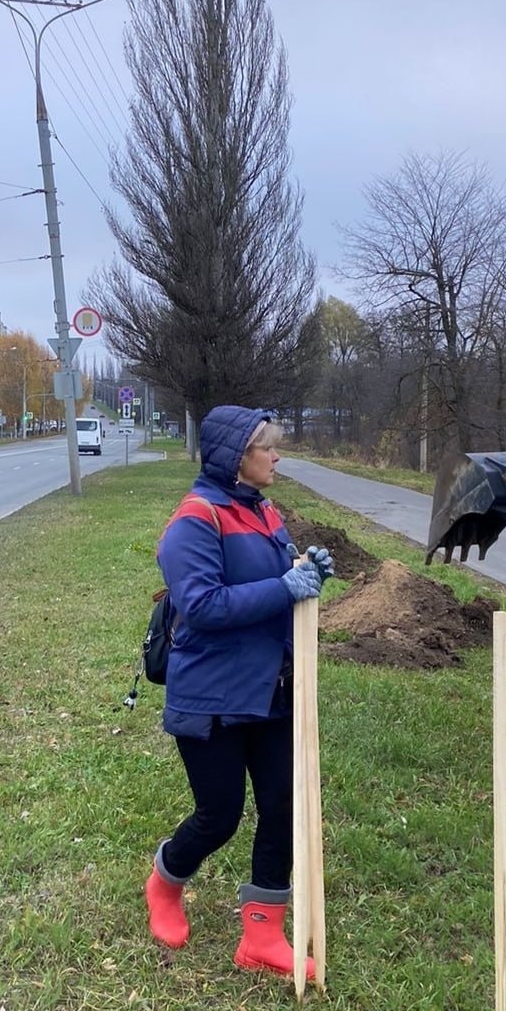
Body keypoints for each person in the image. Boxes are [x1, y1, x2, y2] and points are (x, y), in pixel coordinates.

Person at [145, 405, 334, 979]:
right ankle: (164, 883)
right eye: (266, 448)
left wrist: (306, 569)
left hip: (271, 688)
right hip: (214, 697)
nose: (276, 456)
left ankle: (261, 935)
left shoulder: (263, 509)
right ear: (235, 458)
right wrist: (283, 587)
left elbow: (274, 578)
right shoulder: (195, 520)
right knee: (220, 815)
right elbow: (201, 606)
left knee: (281, 806)